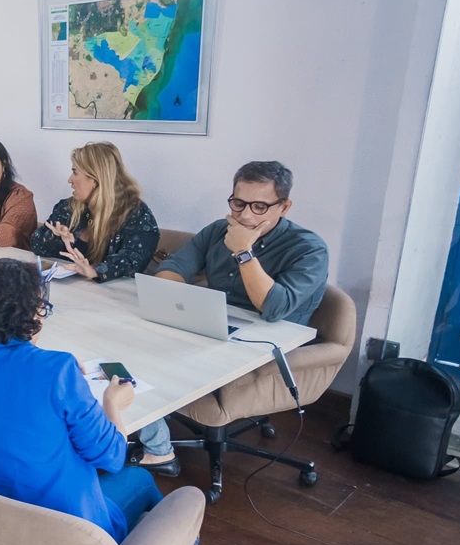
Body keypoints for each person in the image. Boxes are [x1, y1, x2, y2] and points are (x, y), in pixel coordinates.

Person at [0, 258, 161, 543]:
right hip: (59, 527)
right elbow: (112, 457)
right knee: (140, 479)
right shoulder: (57, 371)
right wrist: (112, 404)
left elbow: (3, 383)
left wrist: (47, 364)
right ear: (32, 312)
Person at [130, 161, 330, 475]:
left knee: (153, 359)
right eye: (238, 203)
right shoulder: (217, 230)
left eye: (260, 206)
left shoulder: (309, 249)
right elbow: (172, 270)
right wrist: (170, 297)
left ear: (284, 207)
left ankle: (158, 451)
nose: (246, 215)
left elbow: (274, 308)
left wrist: (243, 252)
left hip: (266, 342)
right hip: (214, 325)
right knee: (129, 342)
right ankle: (136, 431)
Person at [30, 142, 159, 282]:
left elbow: (133, 261)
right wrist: (55, 237)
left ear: (95, 180)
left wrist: (94, 271)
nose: (70, 180)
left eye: (75, 172)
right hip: (70, 290)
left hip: (112, 298)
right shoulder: (68, 207)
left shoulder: (137, 214)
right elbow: (37, 246)